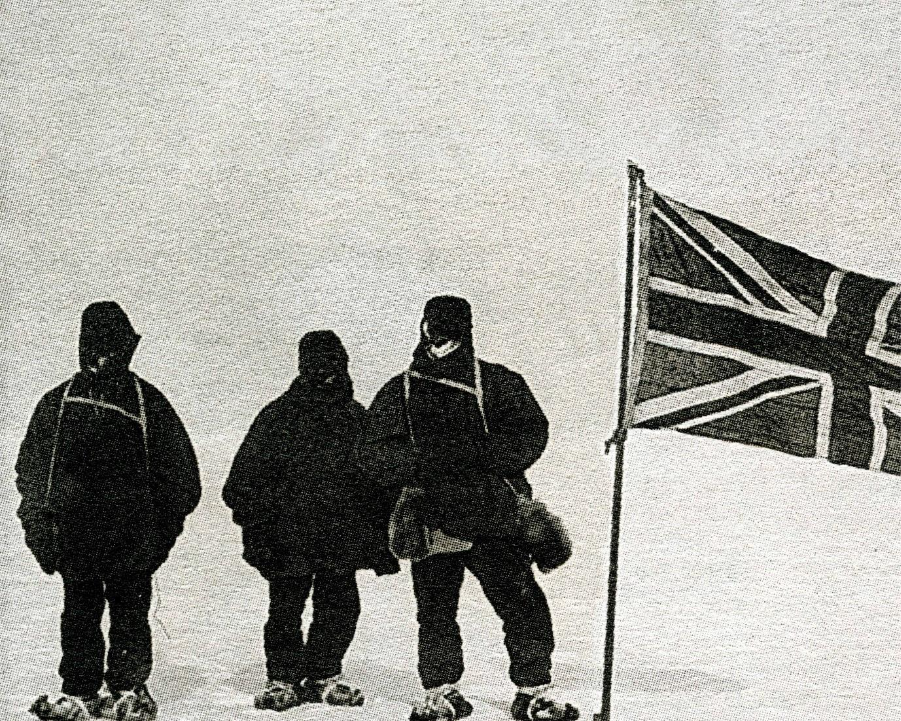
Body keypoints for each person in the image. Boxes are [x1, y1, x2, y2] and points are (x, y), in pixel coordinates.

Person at [356, 295, 579, 721]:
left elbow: (532, 432)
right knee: (436, 610)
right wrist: (424, 464)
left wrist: (480, 458)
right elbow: (372, 453)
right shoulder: (399, 390)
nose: (438, 335)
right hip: (432, 516)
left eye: (448, 326)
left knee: (521, 601)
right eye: (432, 325)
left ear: (467, 328)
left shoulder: (497, 382)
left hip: (494, 514)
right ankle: (440, 691)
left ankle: (534, 690)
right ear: (422, 327)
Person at [16, 301, 202, 721]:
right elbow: (31, 472)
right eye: (99, 347)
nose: (108, 357)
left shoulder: (147, 402)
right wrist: (42, 531)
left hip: (133, 540)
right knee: (79, 616)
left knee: (131, 616)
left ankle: (128, 687)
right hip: (75, 538)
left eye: (117, 347)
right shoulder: (58, 403)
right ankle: (79, 689)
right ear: (84, 348)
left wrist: (160, 535)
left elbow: (182, 477)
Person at [222, 330, 399, 712]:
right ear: (303, 367)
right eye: (317, 366)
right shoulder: (278, 417)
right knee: (286, 607)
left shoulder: (358, 419)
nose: (326, 374)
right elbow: (241, 483)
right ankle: (282, 679)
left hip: (341, 538)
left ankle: (324, 673)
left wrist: (379, 526)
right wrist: (261, 524)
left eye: (333, 365)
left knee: (339, 605)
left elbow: (381, 480)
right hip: (289, 538)